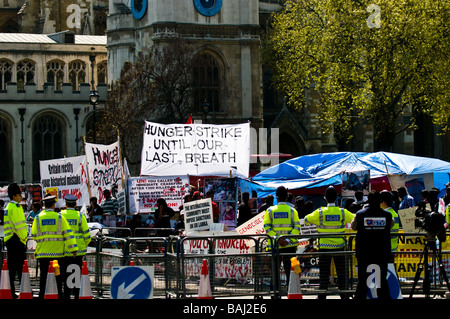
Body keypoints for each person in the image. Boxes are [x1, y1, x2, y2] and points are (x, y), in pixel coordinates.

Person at [304, 186, 354, 299]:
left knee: (324, 274)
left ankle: (322, 295)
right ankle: (344, 295)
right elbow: (355, 219)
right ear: (336, 198)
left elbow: (307, 219)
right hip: (340, 247)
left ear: (325, 198)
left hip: (324, 248)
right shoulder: (342, 212)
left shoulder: (320, 212)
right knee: (341, 274)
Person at [31, 193, 78, 299]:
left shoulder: (38, 218)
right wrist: (74, 249)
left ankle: (43, 296)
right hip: (57, 256)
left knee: (43, 279)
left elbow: (34, 235)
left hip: (42, 255)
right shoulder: (60, 218)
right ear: (53, 205)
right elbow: (68, 235)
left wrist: (43, 242)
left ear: (44, 205)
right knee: (58, 279)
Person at [351, 191, 393, 300]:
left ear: (368, 200)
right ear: (379, 200)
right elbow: (391, 225)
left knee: (363, 281)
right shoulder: (387, 215)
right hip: (381, 252)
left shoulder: (360, 214)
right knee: (381, 281)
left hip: (364, 252)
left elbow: (353, 227)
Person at [263, 186, 301, 287]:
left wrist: (278, 239)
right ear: (287, 197)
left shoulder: (270, 211)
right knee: (290, 272)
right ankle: (290, 292)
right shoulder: (293, 211)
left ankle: (274, 294)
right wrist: (287, 240)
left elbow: (267, 227)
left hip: (275, 246)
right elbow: (297, 228)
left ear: (277, 198)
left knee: (274, 272)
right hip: (290, 246)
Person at [60, 194, 91, 299]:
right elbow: (87, 235)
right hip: (78, 252)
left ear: (65, 204)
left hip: (64, 251)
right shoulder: (80, 216)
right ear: (75, 204)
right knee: (76, 276)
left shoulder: (60, 215)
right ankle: (77, 295)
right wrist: (82, 246)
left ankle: (67, 295)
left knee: (66, 275)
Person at [3, 183, 28, 298]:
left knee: (11, 270)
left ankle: (11, 292)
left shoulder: (8, 207)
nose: (21, 197)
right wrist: (24, 239)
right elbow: (20, 226)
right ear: (14, 196)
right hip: (17, 240)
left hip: (9, 240)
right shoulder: (16, 207)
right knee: (21, 269)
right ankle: (25, 291)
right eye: (19, 195)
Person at [380, 190, 399, 259]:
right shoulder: (394, 213)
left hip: (385, 248)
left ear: (383, 202)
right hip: (393, 247)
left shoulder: (385, 214)